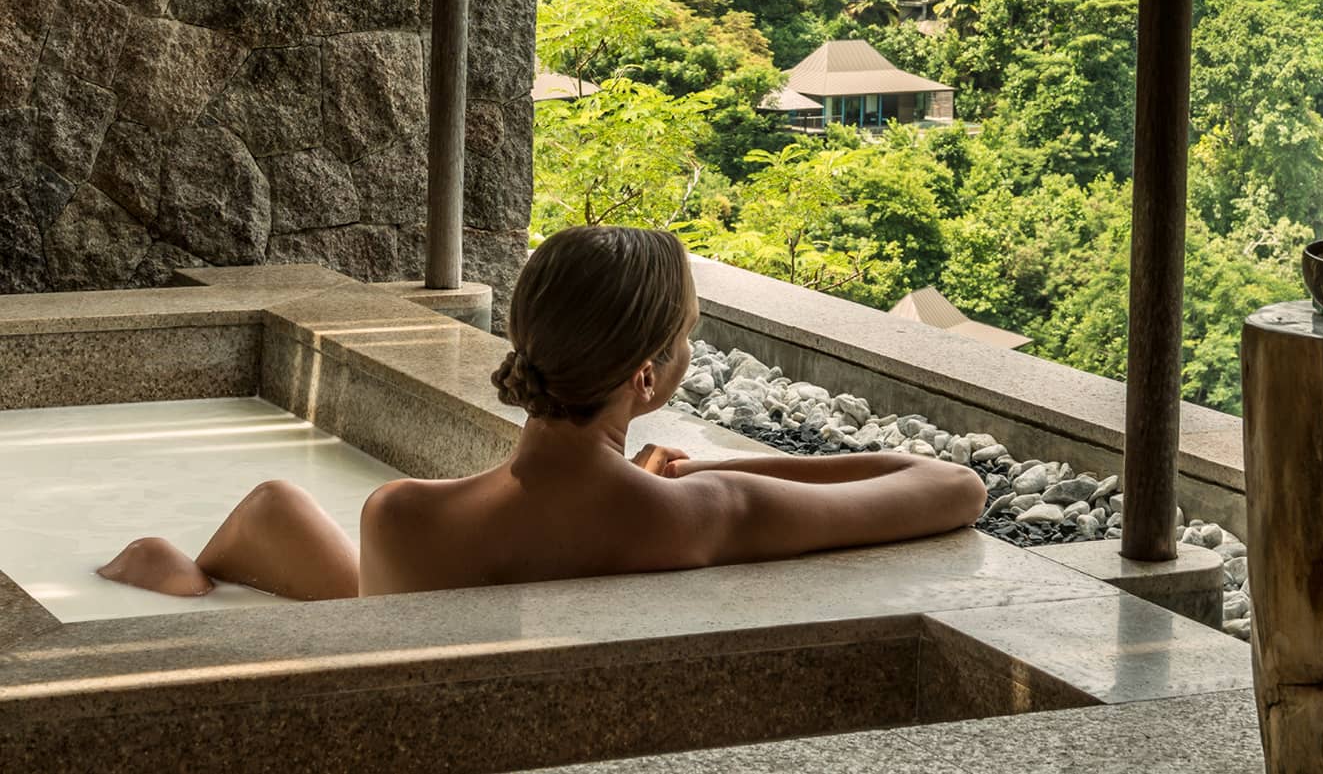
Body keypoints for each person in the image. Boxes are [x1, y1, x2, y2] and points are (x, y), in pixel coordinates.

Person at [98, 225, 985, 601]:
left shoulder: (401, 514)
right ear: (646, 378)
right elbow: (952, 486)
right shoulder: (697, 515)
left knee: (274, 505)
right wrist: (717, 468)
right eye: (684, 340)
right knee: (280, 511)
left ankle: (182, 577)